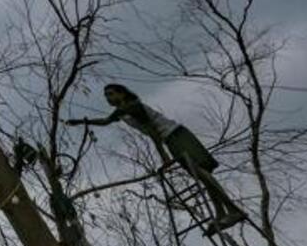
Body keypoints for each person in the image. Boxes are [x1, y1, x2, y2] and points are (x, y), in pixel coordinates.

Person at [66, 83, 245, 234]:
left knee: (201, 173)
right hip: (170, 139)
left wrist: (164, 156)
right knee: (200, 175)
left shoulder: (133, 106)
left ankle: (233, 210)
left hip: (175, 135)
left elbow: (152, 131)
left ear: (122, 93)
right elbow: (105, 121)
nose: (108, 98)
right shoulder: (121, 112)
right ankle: (221, 214)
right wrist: (82, 122)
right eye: (106, 96)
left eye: (111, 94)